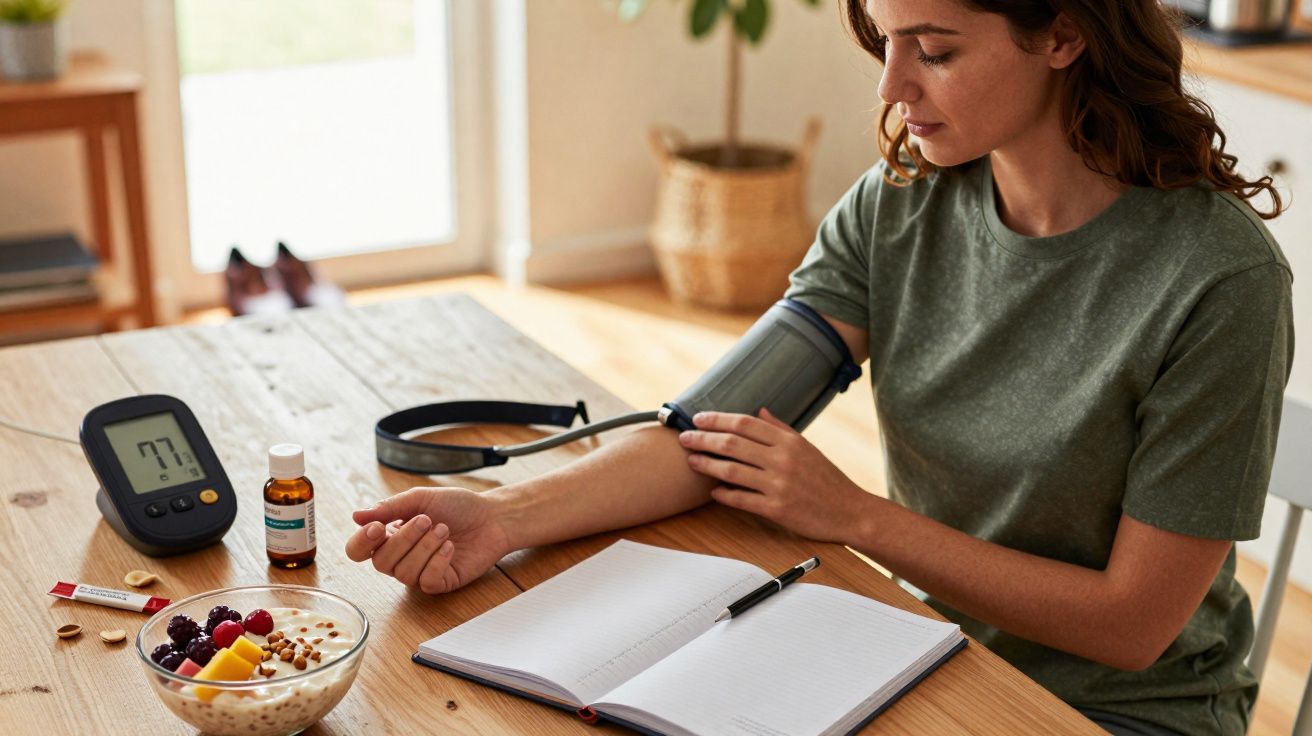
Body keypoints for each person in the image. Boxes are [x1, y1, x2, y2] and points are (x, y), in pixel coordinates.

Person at [344, 1, 1292, 734]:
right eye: (883, 41)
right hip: (935, 653)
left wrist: (852, 518)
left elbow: (1133, 627)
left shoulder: (1217, 280)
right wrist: (503, 518)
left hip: (1122, 712)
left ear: (1064, 36)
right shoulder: (901, 208)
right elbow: (709, 436)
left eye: (936, 49)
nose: (890, 89)